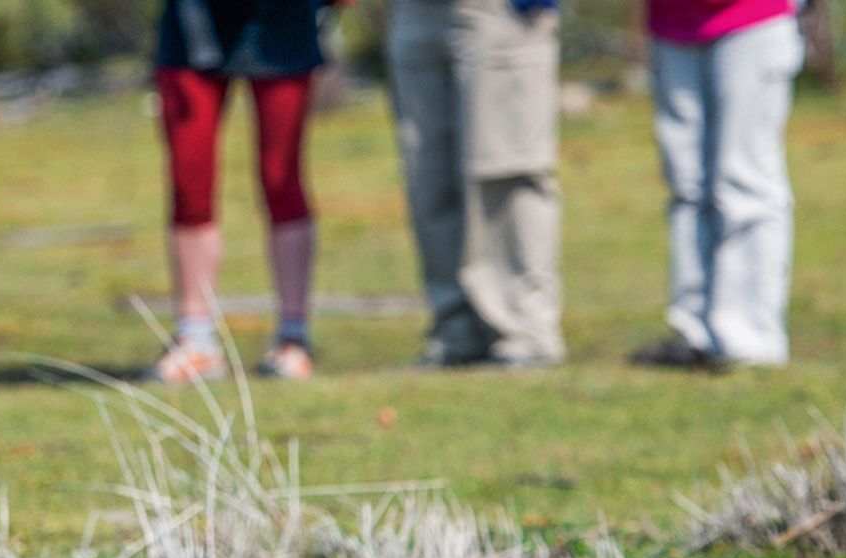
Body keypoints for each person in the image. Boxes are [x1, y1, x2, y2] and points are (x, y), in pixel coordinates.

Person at [146, 0, 345, 384]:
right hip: (193, 26)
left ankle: (293, 338)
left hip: (281, 24)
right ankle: (196, 337)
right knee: (190, 185)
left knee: (282, 179)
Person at [387, 0, 566, 370]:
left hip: (500, 10)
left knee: (506, 166)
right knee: (428, 173)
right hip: (414, 11)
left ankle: (525, 329)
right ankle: (456, 329)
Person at [631, 0, 804, 370]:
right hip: (671, 21)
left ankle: (750, 339)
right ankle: (695, 332)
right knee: (687, 184)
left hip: (752, 16)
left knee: (744, 181)